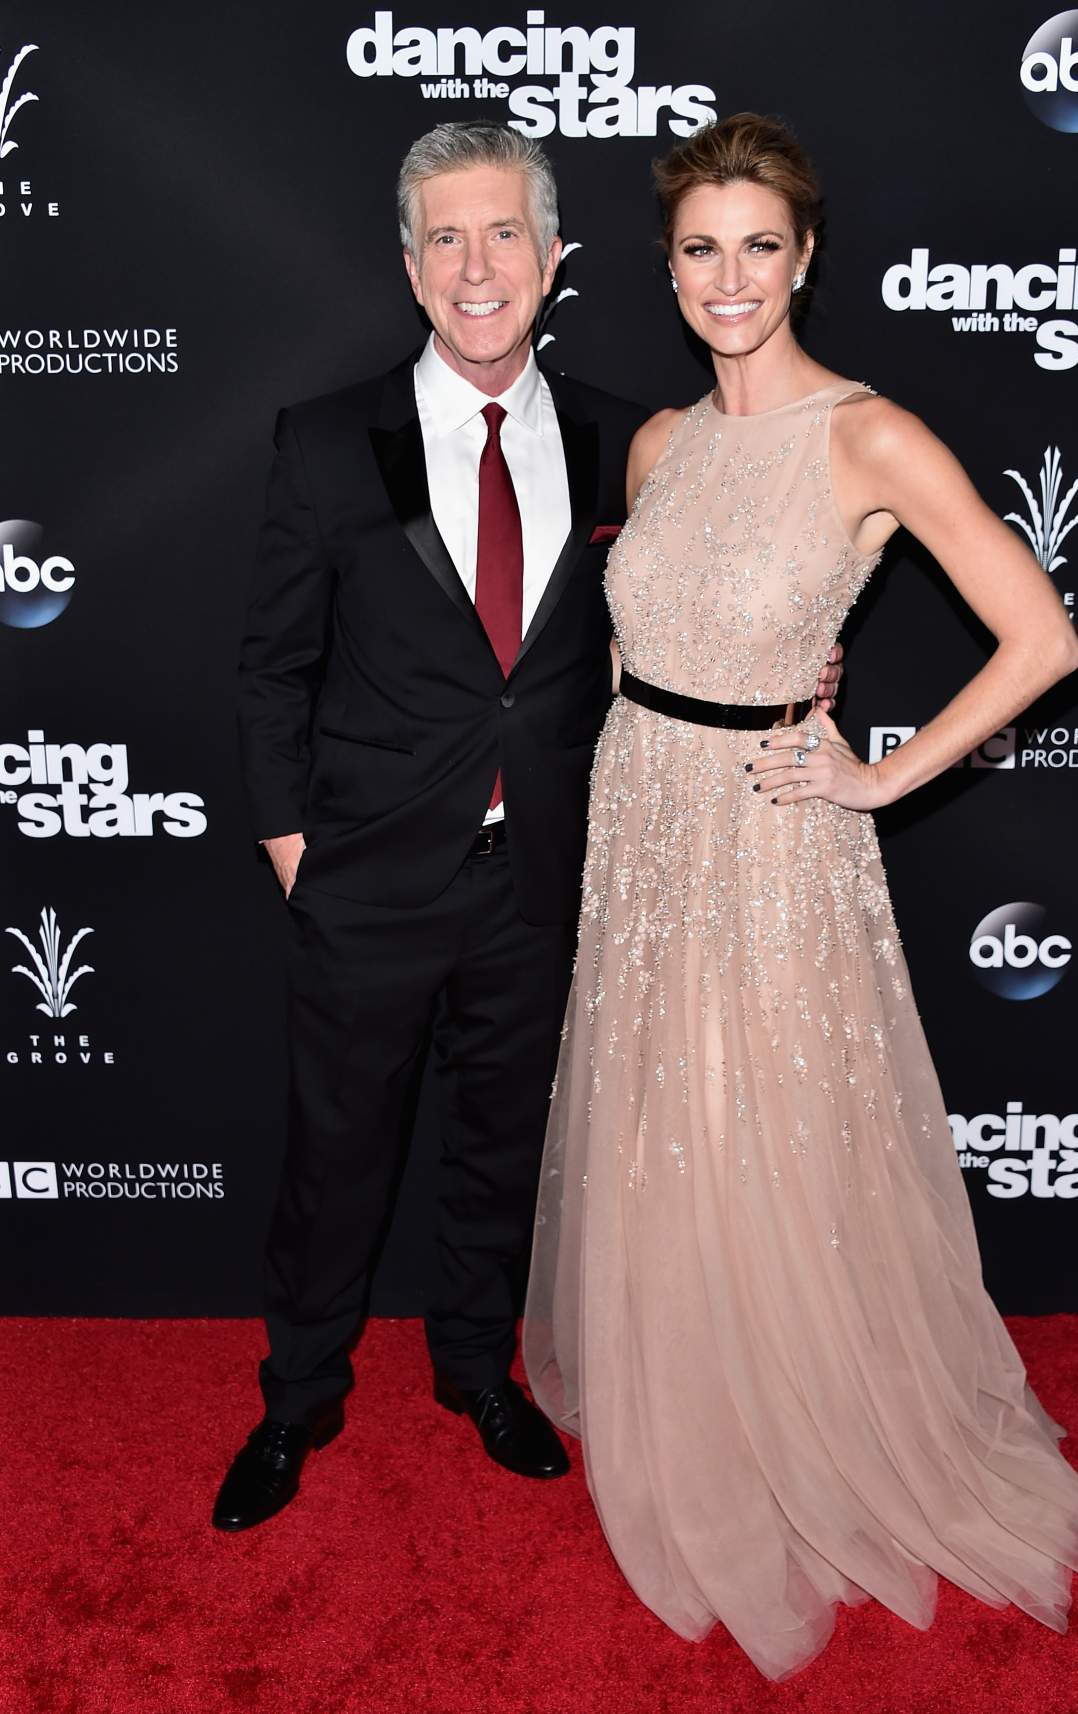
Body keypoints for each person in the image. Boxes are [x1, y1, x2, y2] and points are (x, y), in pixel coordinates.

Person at [523, 113, 1078, 1680]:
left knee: (761, 1121)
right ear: (666, 269)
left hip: (774, 837)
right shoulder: (659, 444)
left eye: (760, 249)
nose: (732, 279)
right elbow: (656, 634)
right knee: (663, 1118)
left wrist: (877, 773)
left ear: (807, 259)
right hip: (640, 817)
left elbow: (1041, 636)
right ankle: (695, 1391)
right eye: (702, 251)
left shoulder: (871, 436)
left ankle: (804, 1417)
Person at [214, 115, 848, 1533]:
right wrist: (292, 845)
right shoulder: (329, 441)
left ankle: (474, 1369)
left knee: (505, 1144)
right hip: (365, 876)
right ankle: (297, 1395)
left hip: (545, 872)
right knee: (337, 1156)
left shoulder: (632, 437)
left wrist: (798, 653)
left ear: (554, 256)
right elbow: (273, 668)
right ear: (409, 264)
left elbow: (713, 590)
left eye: (505, 231)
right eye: (446, 236)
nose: (477, 262)